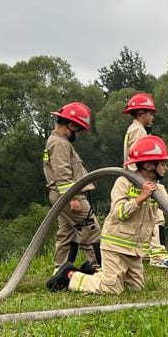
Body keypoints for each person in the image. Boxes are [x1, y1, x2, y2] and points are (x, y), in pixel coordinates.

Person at [47, 135, 168, 294]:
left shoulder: (159, 190)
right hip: (115, 246)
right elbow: (120, 213)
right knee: (112, 289)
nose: (166, 168)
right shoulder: (124, 183)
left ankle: (92, 273)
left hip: (134, 250)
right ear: (149, 165)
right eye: (163, 163)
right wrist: (141, 197)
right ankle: (71, 276)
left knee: (135, 289)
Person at [122, 92, 168, 271]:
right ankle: (158, 257)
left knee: (149, 216)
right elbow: (141, 157)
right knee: (156, 217)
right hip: (143, 179)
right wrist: (145, 181)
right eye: (150, 113)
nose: (153, 116)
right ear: (141, 112)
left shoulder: (133, 129)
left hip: (138, 179)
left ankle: (147, 254)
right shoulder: (138, 131)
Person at [42, 102, 101, 276]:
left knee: (67, 233)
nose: (79, 133)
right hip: (70, 196)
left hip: (61, 195)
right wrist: (72, 196)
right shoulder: (59, 143)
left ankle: (60, 270)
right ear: (71, 125)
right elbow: (62, 171)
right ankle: (99, 269)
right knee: (91, 229)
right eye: (79, 129)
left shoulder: (55, 141)